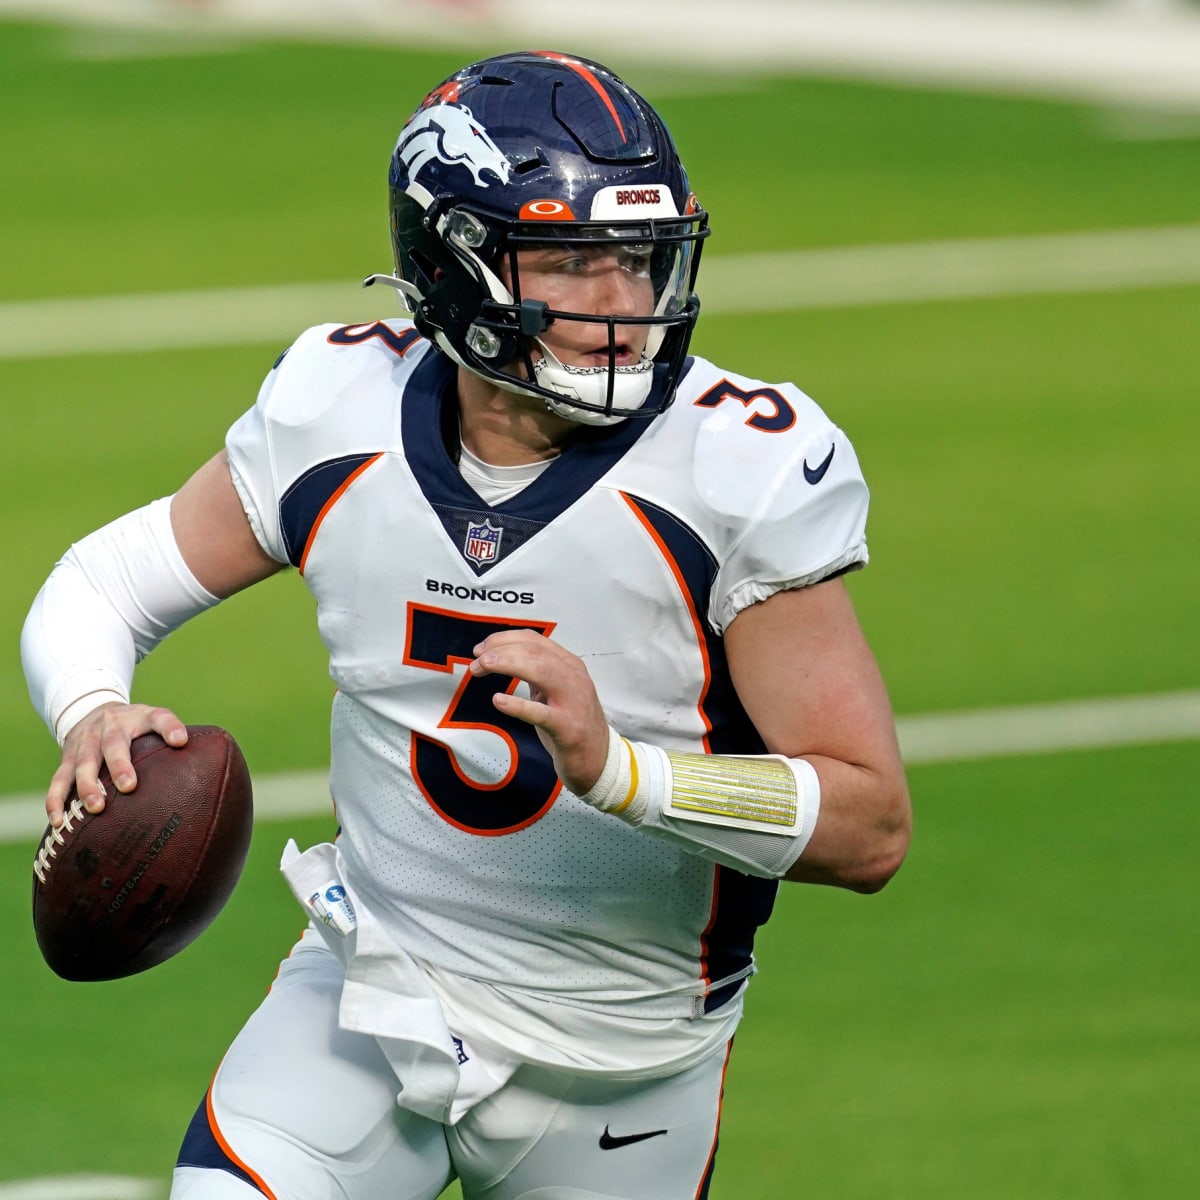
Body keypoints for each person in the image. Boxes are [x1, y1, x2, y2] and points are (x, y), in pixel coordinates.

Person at [22, 50, 911, 1200]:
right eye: (571, 263)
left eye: (639, 261)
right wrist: (93, 708)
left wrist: (628, 774)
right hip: (369, 1000)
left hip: (622, 1071)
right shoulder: (336, 407)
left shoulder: (736, 466)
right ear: (451, 262)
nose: (620, 308)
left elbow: (870, 822)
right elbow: (101, 581)